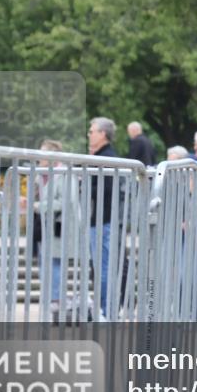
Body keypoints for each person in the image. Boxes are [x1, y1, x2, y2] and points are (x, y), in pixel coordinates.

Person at [28, 140, 81, 312]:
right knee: (44, 261)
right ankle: (51, 298)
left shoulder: (65, 174)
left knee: (54, 262)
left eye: (42, 153)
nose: (39, 157)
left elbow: (68, 201)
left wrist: (39, 206)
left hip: (60, 226)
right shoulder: (40, 175)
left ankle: (56, 299)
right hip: (43, 225)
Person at [88, 116, 119, 317]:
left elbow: (105, 189)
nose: (89, 134)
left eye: (91, 131)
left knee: (103, 266)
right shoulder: (100, 156)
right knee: (100, 266)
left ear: (103, 134)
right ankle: (103, 309)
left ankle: (106, 310)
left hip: (103, 220)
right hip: (99, 219)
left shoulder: (106, 157)